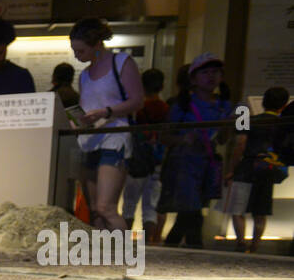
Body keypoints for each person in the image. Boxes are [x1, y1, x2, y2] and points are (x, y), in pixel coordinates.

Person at [70, 18, 143, 232]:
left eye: (81, 51)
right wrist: (76, 122)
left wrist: (107, 111)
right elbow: (85, 109)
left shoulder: (121, 62)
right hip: (89, 140)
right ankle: (101, 258)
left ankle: (124, 253)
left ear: (97, 45)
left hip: (115, 138)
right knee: (94, 208)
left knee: (105, 206)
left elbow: (137, 100)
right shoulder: (84, 75)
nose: (77, 56)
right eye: (74, 51)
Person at [158, 53, 232, 248]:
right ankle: (195, 249)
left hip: (207, 165)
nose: (211, 77)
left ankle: (172, 248)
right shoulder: (181, 105)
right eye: (205, 72)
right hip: (184, 164)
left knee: (190, 211)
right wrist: (183, 139)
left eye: (215, 72)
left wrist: (227, 126)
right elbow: (164, 136)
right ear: (193, 79)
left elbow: (224, 139)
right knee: (193, 211)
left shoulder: (225, 105)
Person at [224, 87, 289, 253]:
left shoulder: (247, 118)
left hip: (247, 166)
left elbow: (240, 143)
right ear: (283, 105)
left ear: (263, 101)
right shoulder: (284, 124)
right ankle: (255, 245)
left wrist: (231, 168)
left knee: (237, 209)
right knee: (260, 211)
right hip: (268, 168)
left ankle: (240, 242)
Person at [121, 68, 169, 242]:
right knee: (150, 207)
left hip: (136, 160)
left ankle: (124, 243)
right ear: (162, 86)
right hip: (156, 161)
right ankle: (147, 243)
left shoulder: (136, 108)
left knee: (129, 204)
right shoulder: (165, 108)